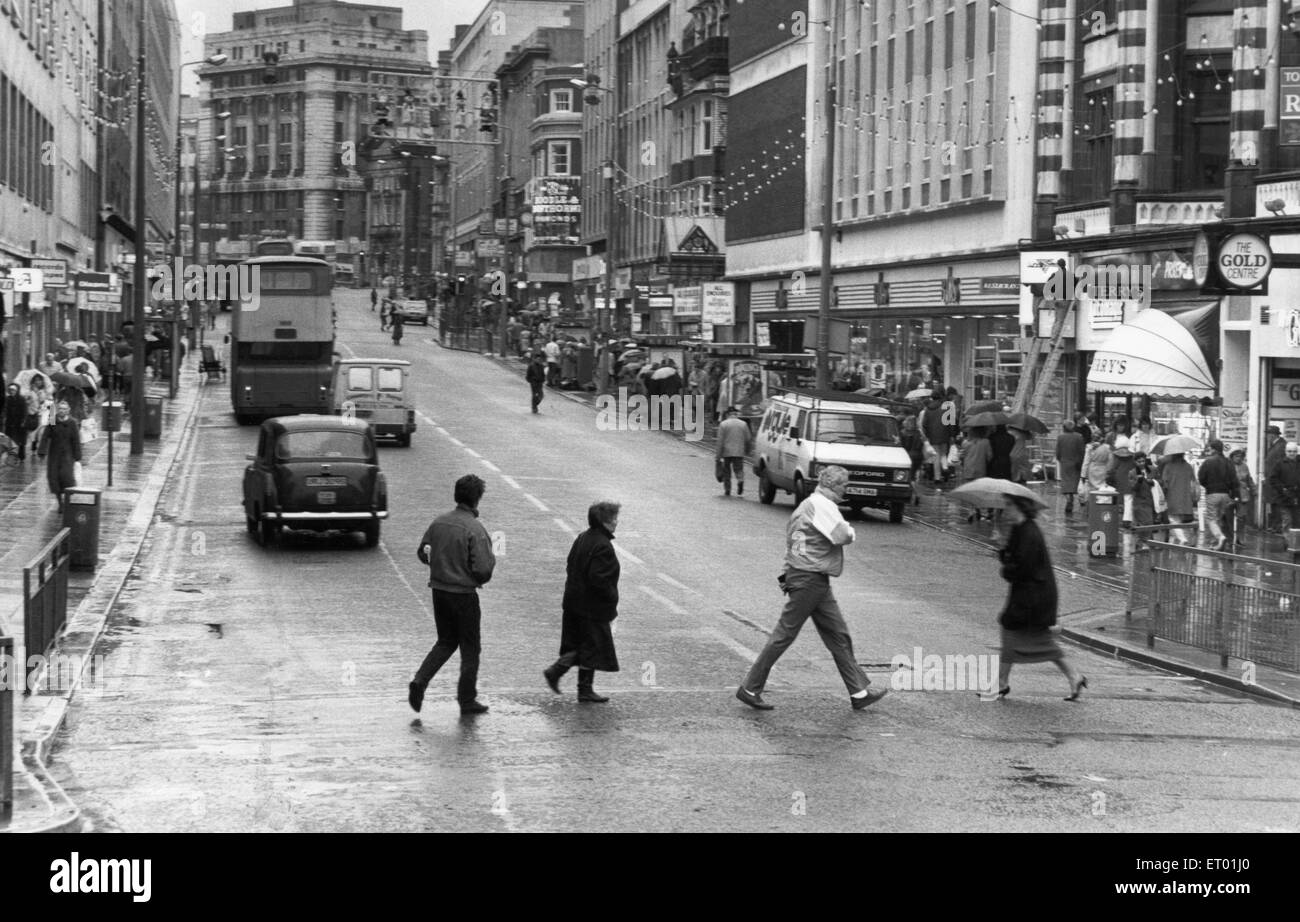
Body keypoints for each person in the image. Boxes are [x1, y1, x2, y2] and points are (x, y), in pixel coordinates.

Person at [735, 465, 889, 712]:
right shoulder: (822, 506)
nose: (845, 490)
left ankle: (858, 692)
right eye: (844, 485)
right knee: (785, 634)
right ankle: (750, 687)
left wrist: (789, 572)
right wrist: (851, 530)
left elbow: (793, 543)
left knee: (838, 635)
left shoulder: (807, 505)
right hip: (810, 578)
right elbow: (843, 535)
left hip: (808, 575)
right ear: (832, 485)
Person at [982, 494, 1087, 701]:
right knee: (1037, 640)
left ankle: (1002, 683)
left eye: (1010, 505)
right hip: (1030, 594)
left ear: (1020, 506)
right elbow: (1012, 559)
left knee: (1011, 631)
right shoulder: (1020, 529)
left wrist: (1006, 569)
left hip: (1034, 596)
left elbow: (1022, 568)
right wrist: (1002, 545)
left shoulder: (1029, 532)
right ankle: (1074, 676)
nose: (1006, 509)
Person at [408, 474, 497, 717]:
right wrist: (474, 576)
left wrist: (439, 565)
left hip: (439, 592)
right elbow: (483, 569)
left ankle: (420, 681)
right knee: (470, 647)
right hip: (464, 596)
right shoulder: (475, 529)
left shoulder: (439, 523)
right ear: (477, 499)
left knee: (446, 641)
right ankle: (467, 699)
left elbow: (423, 552)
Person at [543, 501, 622, 703]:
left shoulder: (582, 538)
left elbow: (570, 565)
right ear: (604, 522)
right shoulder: (603, 546)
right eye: (613, 518)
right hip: (591, 607)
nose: (616, 522)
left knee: (585, 644)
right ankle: (561, 675)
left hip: (573, 602)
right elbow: (599, 579)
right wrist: (612, 597)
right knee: (592, 645)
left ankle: (580, 687)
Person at [1197, 438, 1239, 551]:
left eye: (1210, 448)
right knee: (1219, 518)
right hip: (1226, 495)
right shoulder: (1229, 462)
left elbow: (1201, 478)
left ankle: (1220, 537)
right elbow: (1234, 480)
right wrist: (1235, 495)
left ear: (1214, 449)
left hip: (1212, 493)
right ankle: (1218, 543)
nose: (1209, 450)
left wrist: (1208, 486)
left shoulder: (1208, 462)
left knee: (1211, 519)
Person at [42, 401, 82, 512]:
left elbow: (76, 440)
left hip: (68, 455)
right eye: (59, 408)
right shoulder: (52, 420)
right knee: (54, 478)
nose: (61, 411)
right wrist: (42, 450)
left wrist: (78, 455)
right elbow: (45, 435)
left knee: (67, 477)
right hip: (54, 455)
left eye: (64, 409)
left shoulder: (73, 422)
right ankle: (60, 502)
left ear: (68, 410)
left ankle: (67, 499)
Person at [1160, 451, 1200, 545]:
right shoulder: (1188, 466)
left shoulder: (1168, 466)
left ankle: (1182, 538)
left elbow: (1165, 483)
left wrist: (1163, 496)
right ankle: (1181, 538)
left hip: (1172, 495)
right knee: (1182, 519)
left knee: (1173, 518)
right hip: (1186, 497)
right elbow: (1193, 481)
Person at [716, 406, 754, 496]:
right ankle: (740, 480)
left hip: (726, 452)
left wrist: (718, 456)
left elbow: (720, 441)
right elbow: (748, 439)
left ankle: (727, 489)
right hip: (739, 451)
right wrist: (748, 450)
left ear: (728, 414)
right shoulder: (743, 424)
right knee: (738, 469)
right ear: (736, 414)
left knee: (726, 471)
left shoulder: (723, 424)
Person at [1268, 443, 1300, 536]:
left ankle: (1296, 543)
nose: (1292, 453)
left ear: (1297, 452)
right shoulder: (1279, 464)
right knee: (1287, 520)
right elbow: (1273, 479)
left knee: (1297, 521)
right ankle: (1288, 542)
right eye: (1289, 451)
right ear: (1285, 452)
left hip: (1298, 496)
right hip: (1284, 497)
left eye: (1294, 451)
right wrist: (1282, 489)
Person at [1055, 419, 1086, 515]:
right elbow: (1082, 451)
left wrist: (1060, 459)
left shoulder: (1060, 437)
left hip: (1065, 463)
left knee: (1066, 482)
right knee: (1074, 482)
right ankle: (1072, 497)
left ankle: (1068, 498)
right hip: (1076, 463)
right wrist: (1080, 461)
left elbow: (1058, 452)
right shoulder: (1079, 437)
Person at [1129, 453, 1160, 548]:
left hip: (1153, 501)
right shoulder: (1132, 473)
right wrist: (1139, 481)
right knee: (1145, 523)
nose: (1142, 463)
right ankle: (1144, 542)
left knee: (1149, 523)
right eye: (1139, 462)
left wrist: (1153, 482)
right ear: (1135, 462)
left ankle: (1144, 543)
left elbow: (1160, 481)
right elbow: (1133, 488)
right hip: (1140, 502)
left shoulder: (1153, 469)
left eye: (1143, 461)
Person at [961, 426, 992, 521]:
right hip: (981, 469)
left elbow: (962, 456)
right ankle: (980, 509)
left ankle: (972, 510)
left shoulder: (965, 443)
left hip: (968, 469)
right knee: (980, 491)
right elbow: (989, 456)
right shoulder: (985, 442)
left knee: (970, 491)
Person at [1263, 425, 1288, 533]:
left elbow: (1279, 464)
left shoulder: (1280, 446)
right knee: (1273, 503)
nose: (1267, 436)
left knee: (1277, 503)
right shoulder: (1275, 445)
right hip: (1272, 480)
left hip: (1276, 480)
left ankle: (1277, 526)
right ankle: (1274, 526)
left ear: (1273, 435)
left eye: (1268, 434)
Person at [1229, 448, 1255, 548]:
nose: (1238, 458)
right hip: (1230, 495)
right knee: (1229, 518)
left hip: (1243, 495)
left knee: (1241, 518)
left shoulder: (1245, 466)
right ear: (1232, 456)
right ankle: (1230, 539)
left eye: (1240, 456)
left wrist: (1254, 489)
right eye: (1236, 456)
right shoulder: (1228, 466)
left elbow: (1249, 479)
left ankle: (1240, 538)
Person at [1109, 435, 1136, 526]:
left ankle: (1113, 517)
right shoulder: (1132, 455)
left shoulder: (1115, 455)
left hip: (1119, 478)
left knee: (1117, 498)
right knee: (1128, 499)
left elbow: (1113, 468)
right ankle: (1127, 519)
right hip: (1129, 478)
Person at [900, 414, 925, 505]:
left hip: (908, 456)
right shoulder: (919, 433)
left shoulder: (903, 433)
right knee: (914, 475)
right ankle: (911, 494)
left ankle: (917, 494)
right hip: (919, 456)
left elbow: (903, 446)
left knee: (909, 477)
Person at [3, 382, 29, 462]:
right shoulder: (7, 399)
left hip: (20, 424)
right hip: (10, 423)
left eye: (13, 390)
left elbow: (25, 411)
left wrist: (23, 421)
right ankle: (13, 457)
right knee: (11, 441)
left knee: (21, 442)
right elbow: (4, 410)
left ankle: (21, 457)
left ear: (17, 390)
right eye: (10, 390)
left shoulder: (22, 399)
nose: (12, 391)